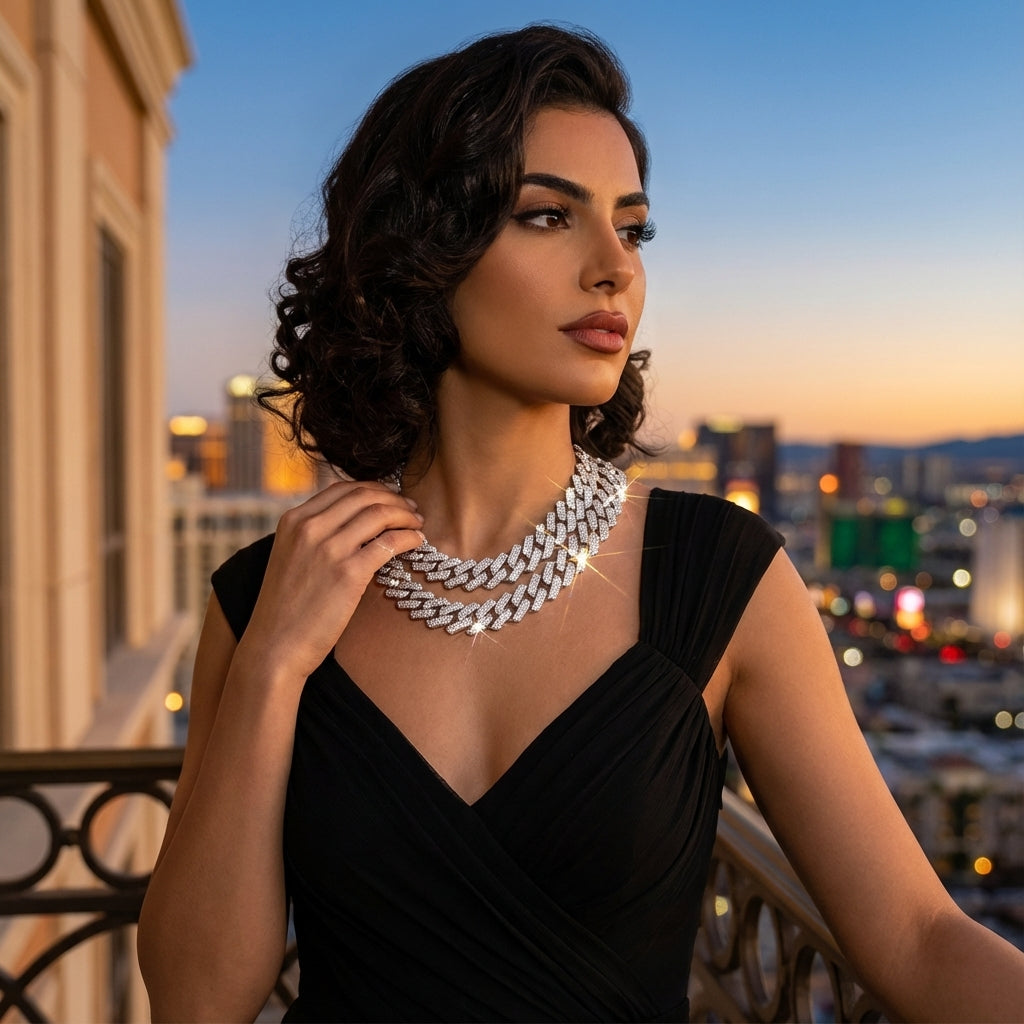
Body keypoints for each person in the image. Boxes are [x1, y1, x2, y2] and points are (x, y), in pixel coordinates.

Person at [137, 24, 1024, 1023]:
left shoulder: (718, 576)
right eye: (546, 216)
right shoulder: (270, 594)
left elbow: (917, 939)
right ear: (422, 253)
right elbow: (197, 999)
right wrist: (269, 669)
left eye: (633, 227)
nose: (614, 269)